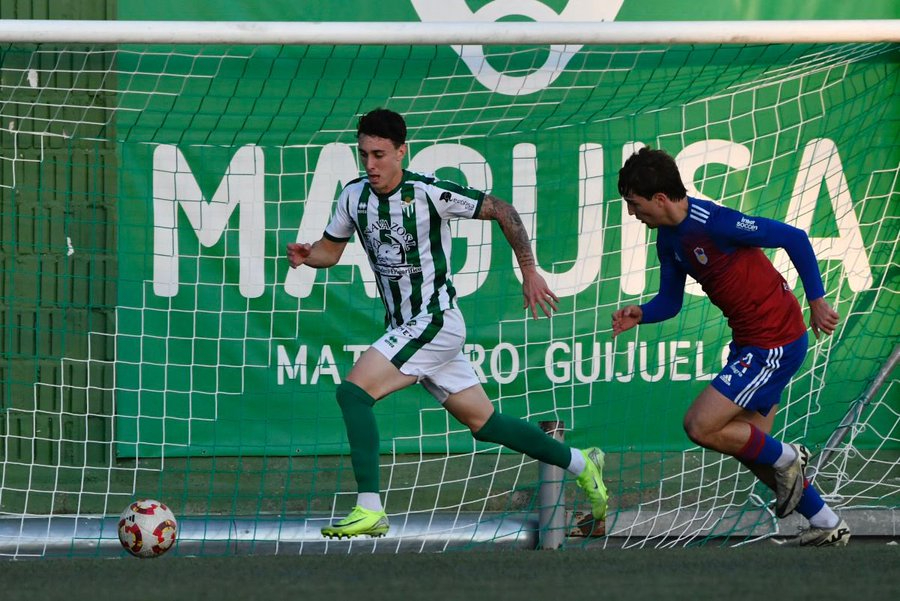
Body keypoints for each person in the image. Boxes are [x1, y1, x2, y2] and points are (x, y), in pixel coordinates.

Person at [287, 108, 608, 539]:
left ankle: (370, 508)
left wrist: (529, 269)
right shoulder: (353, 196)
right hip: (409, 327)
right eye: (363, 155)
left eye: (380, 154)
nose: (371, 165)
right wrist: (308, 257)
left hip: (433, 321)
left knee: (353, 393)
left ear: (403, 151)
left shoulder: (428, 192)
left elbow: (502, 209)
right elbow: (331, 251)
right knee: (485, 424)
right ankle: (582, 462)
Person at [612, 147, 849, 547]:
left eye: (634, 205)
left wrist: (817, 299)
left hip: (774, 340)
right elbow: (670, 301)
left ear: (660, 199)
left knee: (700, 425)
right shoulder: (668, 241)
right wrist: (642, 313)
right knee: (752, 448)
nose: (633, 214)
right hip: (750, 344)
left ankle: (791, 456)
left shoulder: (715, 222)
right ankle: (827, 522)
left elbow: (794, 237)